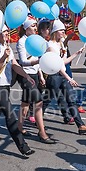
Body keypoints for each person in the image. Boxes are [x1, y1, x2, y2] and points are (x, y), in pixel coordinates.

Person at [0, 25, 36, 156]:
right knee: (10, 115)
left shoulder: (6, 48)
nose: (7, 33)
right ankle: (22, 146)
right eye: (4, 31)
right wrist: (3, 57)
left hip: (6, 85)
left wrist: (26, 75)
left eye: (7, 31)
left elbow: (14, 64)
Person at [46, 20, 86, 135]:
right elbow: (57, 66)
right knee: (46, 100)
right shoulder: (50, 46)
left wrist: (77, 53)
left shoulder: (61, 44)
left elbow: (63, 62)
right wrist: (69, 78)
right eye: (61, 30)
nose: (64, 32)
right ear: (55, 31)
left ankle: (81, 125)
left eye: (64, 30)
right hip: (54, 77)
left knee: (71, 100)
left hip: (62, 76)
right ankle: (36, 118)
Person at [16, 16, 57, 144]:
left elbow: (38, 56)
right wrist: (39, 61)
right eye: (32, 26)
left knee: (25, 103)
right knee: (38, 102)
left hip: (34, 74)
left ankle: (19, 127)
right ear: (26, 28)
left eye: (35, 25)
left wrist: (40, 74)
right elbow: (23, 61)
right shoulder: (22, 42)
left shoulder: (36, 40)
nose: (35, 28)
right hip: (25, 75)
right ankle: (42, 132)